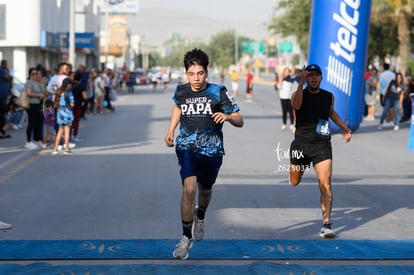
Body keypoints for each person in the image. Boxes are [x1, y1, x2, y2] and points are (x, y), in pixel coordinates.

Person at [164, 48, 244, 260]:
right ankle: (184, 237)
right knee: (189, 189)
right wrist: (171, 129)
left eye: (200, 73)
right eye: (192, 74)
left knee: (205, 191)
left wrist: (226, 117)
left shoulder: (219, 91)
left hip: (212, 150)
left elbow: (239, 120)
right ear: (186, 74)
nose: (196, 78)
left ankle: (201, 214)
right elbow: (177, 107)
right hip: (187, 147)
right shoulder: (181, 91)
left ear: (206, 73)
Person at [289, 64, 352, 239]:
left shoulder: (328, 96)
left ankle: (326, 224)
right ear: (306, 78)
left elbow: (331, 113)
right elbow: (296, 106)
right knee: (294, 181)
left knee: (325, 184)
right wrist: (300, 83)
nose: (314, 78)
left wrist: (345, 128)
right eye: (310, 76)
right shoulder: (298, 93)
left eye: (317, 75)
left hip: (322, 144)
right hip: (301, 144)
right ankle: (296, 172)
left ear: (321, 78)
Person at [52, 78, 75, 155]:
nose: (71, 86)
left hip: (60, 113)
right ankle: (66, 149)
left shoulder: (59, 91)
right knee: (67, 132)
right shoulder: (69, 93)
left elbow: (56, 103)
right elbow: (72, 104)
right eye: (71, 84)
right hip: (67, 113)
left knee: (60, 131)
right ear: (68, 85)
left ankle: (55, 148)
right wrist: (71, 104)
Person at [25, 68, 45, 149]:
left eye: (36, 73)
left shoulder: (36, 83)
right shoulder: (29, 82)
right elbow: (28, 93)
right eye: (32, 73)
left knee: (37, 122)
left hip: (37, 104)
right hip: (31, 104)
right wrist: (38, 95)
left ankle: (37, 140)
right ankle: (28, 141)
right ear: (29, 74)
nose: (35, 75)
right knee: (31, 123)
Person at [71, 72, 88, 141]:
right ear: (80, 79)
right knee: (76, 121)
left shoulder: (70, 85)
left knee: (69, 121)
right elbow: (85, 97)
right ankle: (75, 135)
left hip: (70, 105)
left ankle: (68, 135)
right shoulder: (81, 87)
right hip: (77, 106)